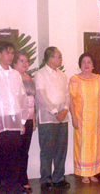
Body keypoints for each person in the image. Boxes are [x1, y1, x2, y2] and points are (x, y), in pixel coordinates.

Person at [0, 41, 29, 194]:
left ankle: (12, 188)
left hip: (14, 123)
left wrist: (22, 121)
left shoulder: (16, 74)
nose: (10, 56)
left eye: (12, 53)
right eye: (7, 52)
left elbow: (22, 98)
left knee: (15, 158)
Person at [34, 47, 70, 190]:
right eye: (59, 56)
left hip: (63, 117)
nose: (61, 59)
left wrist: (65, 109)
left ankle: (59, 178)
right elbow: (41, 96)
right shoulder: (40, 74)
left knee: (61, 149)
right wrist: (56, 112)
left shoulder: (62, 75)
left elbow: (67, 94)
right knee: (47, 150)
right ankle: (45, 179)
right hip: (48, 118)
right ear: (50, 58)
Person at [69, 53, 100, 183]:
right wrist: (73, 117)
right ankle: (83, 173)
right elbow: (70, 100)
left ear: (93, 65)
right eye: (84, 62)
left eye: (89, 62)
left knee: (95, 145)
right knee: (82, 146)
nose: (86, 65)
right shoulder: (75, 79)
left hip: (96, 119)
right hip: (81, 119)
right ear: (80, 64)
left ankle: (93, 172)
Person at [12, 50, 36, 193]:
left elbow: (32, 100)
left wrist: (33, 119)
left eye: (26, 61)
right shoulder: (12, 77)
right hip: (15, 120)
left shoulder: (29, 77)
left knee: (24, 151)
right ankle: (14, 181)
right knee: (15, 151)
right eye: (21, 61)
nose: (25, 64)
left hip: (28, 118)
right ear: (14, 63)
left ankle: (23, 179)